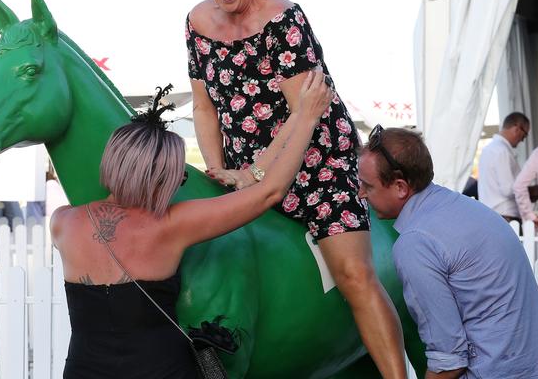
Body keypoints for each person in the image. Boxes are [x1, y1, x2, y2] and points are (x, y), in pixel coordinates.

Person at [185, 0, 406, 377]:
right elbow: (204, 108)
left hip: (315, 156)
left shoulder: (284, 19)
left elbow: (303, 114)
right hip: (247, 166)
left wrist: (256, 174)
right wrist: (217, 169)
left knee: (354, 276)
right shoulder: (196, 22)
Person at [50, 75, 331, 379]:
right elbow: (269, 193)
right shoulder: (172, 225)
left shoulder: (63, 223)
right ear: (158, 177)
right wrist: (307, 117)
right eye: (176, 177)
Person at [357, 125, 538, 379]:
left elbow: (449, 360)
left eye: (367, 186)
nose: (361, 194)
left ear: (400, 187)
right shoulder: (468, 208)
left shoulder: (415, 243)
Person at [477, 112, 529, 221]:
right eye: (525, 135)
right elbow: (507, 189)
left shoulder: (488, 149)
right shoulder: (502, 151)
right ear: (517, 129)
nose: (523, 140)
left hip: (489, 213)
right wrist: (528, 190)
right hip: (505, 215)